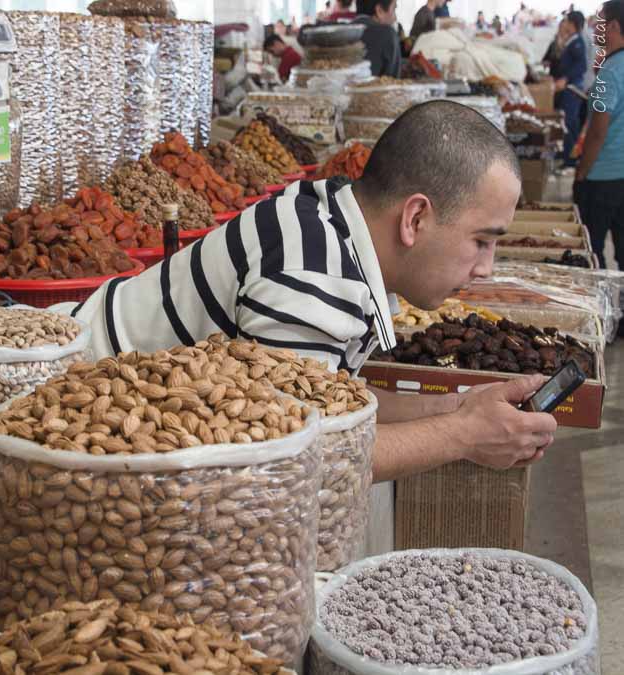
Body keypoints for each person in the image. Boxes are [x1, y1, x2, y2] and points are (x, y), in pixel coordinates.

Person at [64, 101, 557, 481]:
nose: (486, 268)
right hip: (73, 407)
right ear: (416, 218)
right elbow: (306, 457)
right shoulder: (314, 277)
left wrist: (456, 408)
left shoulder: (334, 221)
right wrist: (464, 436)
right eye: (482, 240)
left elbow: (331, 401)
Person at [575, 0, 624, 268]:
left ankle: (603, 307)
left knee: (592, 252)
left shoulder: (609, 72)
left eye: (600, 22)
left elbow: (597, 131)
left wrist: (582, 171)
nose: (595, 29)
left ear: (614, 26)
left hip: (602, 177)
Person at [556, 11, 588, 166]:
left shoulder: (577, 43)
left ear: (573, 23)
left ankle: (569, 160)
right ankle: (572, 155)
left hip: (572, 88)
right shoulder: (572, 40)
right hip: (569, 87)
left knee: (568, 123)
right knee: (572, 124)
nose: (565, 24)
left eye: (567, 21)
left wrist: (566, 78)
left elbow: (581, 66)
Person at [355, 0, 401, 77]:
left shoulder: (342, 33)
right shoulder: (387, 33)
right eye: (394, 9)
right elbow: (392, 82)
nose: (395, 18)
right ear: (379, 10)